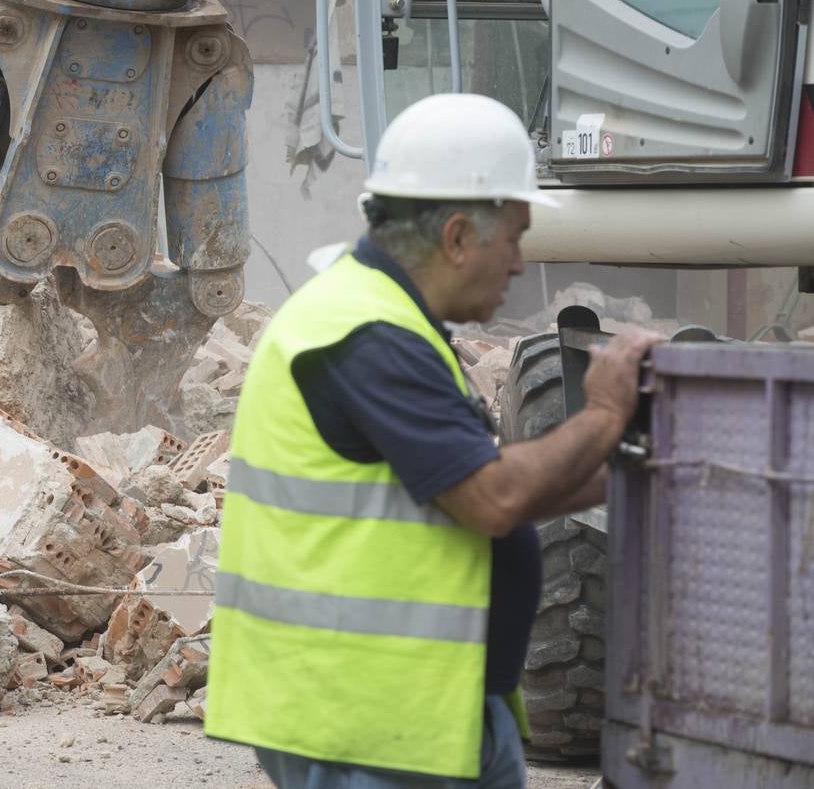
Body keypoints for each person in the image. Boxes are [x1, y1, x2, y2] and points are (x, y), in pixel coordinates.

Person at [203, 94, 660, 788]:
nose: (517, 264)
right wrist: (601, 415)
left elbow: (462, 484)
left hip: (392, 717)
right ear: (455, 237)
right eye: (513, 237)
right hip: (372, 728)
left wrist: (631, 469)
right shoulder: (370, 338)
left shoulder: (375, 319)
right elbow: (492, 498)